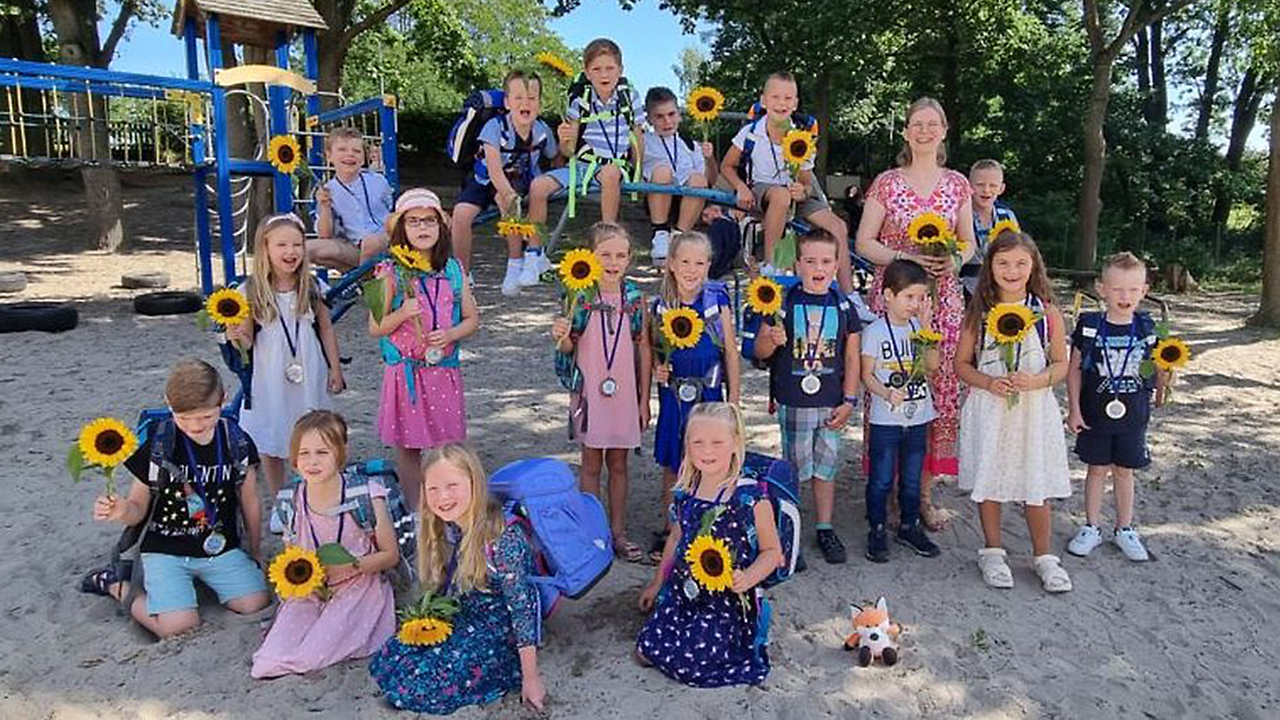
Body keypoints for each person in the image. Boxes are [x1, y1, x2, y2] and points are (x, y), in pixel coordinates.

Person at [854, 96, 977, 531]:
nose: (924, 131)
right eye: (917, 124)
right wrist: (904, 256)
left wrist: (954, 260)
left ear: (944, 131)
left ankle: (922, 495)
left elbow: (969, 241)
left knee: (936, 392)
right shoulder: (887, 183)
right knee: (890, 384)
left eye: (932, 124)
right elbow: (864, 242)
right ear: (906, 132)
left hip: (942, 302)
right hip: (894, 302)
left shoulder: (958, 184)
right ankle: (886, 491)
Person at [81, 360, 269, 638]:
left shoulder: (236, 442)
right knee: (178, 627)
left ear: (223, 399)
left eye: (205, 417)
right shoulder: (159, 445)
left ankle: (192, 584)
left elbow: (249, 499)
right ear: (169, 404)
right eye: (184, 418)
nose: (195, 426)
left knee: (255, 602)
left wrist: (255, 549)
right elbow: (137, 509)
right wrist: (121, 511)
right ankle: (113, 584)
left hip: (218, 546)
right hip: (165, 548)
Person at [369, 444, 546, 713]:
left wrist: (531, 678)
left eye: (452, 485)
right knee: (390, 656)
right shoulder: (449, 525)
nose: (443, 497)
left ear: (474, 483)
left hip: (503, 631)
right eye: (433, 489)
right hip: (467, 613)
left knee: (425, 684)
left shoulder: (503, 538)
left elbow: (522, 608)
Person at [954, 230, 1072, 593]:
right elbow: (961, 364)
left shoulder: (1046, 311)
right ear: (990, 266)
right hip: (990, 410)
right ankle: (992, 551)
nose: (1012, 270)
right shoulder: (979, 311)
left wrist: (1036, 381)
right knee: (990, 478)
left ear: (1034, 266)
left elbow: (1061, 363)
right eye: (1003, 263)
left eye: (1021, 263)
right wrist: (988, 382)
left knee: (1036, 482)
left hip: (1032, 412)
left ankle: (1044, 556)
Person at [636, 402, 781, 688]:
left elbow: (772, 552)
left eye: (717, 442)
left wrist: (749, 577)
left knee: (692, 664)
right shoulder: (686, 492)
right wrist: (657, 583)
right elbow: (676, 538)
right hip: (684, 593)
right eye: (698, 442)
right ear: (687, 446)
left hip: (725, 601)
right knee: (645, 651)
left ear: (735, 443)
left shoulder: (749, 498)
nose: (707, 450)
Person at [745, 228, 861, 565]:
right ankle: (790, 530)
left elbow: (852, 356)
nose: (818, 268)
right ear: (797, 265)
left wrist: (849, 400)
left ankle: (825, 527)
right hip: (794, 400)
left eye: (825, 261)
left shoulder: (843, 305)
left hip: (831, 402)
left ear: (837, 265)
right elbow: (759, 352)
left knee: (826, 468)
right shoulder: (782, 302)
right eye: (810, 261)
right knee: (795, 469)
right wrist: (772, 340)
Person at [251, 411, 398, 678]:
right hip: (312, 591)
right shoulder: (290, 501)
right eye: (304, 453)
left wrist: (353, 565)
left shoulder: (365, 495)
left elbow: (390, 555)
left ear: (340, 453)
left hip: (359, 587)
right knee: (266, 662)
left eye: (322, 452)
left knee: (310, 656)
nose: (312, 461)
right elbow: (292, 558)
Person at [369, 189, 479, 510]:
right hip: (406, 374)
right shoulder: (388, 271)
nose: (422, 227)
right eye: (413, 221)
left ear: (441, 226)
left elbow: (472, 319)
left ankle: (447, 506)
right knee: (408, 446)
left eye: (429, 220)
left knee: (448, 446)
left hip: (443, 372)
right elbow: (375, 327)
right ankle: (416, 510)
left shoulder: (453, 270)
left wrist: (450, 334)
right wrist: (403, 313)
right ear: (401, 229)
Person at [551, 222, 652, 563]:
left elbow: (643, 347)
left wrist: (643, 399)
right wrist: (561, 336)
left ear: (630, 258)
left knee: (619, 463)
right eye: (605, 254)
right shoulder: (579, 295)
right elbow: (567, 348)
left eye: (621, 255)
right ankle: (592, 531)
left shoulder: (634, 298)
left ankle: (618, 532)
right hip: (590, 392)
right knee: (591, 462)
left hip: (624, 394)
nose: (613, 262)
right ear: (590, 256)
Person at [231, 213, 344, 508]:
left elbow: (326, 328)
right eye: (281, 245)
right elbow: (247, 341)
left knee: (313, 427)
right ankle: (281, 497)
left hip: (309, 369)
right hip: (270, 373)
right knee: (272, 431)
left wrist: (335, 368)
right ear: (265, 248)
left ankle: (313, 492)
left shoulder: (312, 287)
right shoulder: (250, 291)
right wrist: (236, 334)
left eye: (297, 244)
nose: (290, 251)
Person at [1066, 251, 1168, 562]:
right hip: (1094, 412)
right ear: (1101, 289)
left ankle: (1125, 528)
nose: (1125, 296)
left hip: (1133, 414)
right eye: (1117, 289)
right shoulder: (1089, 326)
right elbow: (1074, 370)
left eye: (1133, 289)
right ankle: (1091, 527)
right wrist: (1074, 409)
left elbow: (1160, 368)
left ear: (1144, 290)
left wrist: (1164, 380)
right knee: (1096, 469)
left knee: (1125, 471)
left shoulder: (1148, 328)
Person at [648, 231, 741, 561]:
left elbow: (730, 352)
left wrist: (734, 401)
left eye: (699, 263)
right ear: (671, 264)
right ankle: (671, 528)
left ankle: (707, 528)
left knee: (711, 460)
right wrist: (658, 368)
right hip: (675, 397)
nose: (692, 269)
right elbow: (655, 350)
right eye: (685, 262)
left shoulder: (716, 303)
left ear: (708, 265)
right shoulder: (662, 306)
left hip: (710, 396)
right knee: (674, 461)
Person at [527, 38, 646, 286]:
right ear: (587, 73)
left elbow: (638, 137)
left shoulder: (630, 98)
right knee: (538, 186)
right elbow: (568, 151)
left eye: (610, 68)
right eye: (596, 69)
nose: (604, 74)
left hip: (615, 164)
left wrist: (639, 170)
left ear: (620, 70)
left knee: (610, 173)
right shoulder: (580, 100)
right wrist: (564, 138)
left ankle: (607, 243)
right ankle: (534, 255)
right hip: (582, 165)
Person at [720, 71, 852, 291]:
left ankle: (848, 293)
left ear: (795, 103)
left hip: (793, 196)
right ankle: (772, 266)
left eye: (788, 98)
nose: (781, 103)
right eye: (775, 97)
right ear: (764, 101)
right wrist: (741, 187)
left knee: (837, 226)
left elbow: (806, 183)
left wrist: (803, 191)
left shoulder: (803, 139)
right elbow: (726, 166)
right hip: (762, 191)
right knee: (780, 196)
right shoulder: (750, 133)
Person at [450, 70, 560, 294]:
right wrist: (509, 194)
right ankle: (463, 274)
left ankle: (515, 264)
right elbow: (494, 169)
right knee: (461, 214)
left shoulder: (542, 131)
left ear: (540, 104)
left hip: (523, 180)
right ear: (508, 103)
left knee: (506, 201)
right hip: (486, 180)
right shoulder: (494, 127)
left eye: (532, 98)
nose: (525, 103)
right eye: (518, 98)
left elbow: (555, 155)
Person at [860, 259, 941, 562]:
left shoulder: (920, 329)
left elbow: (932, 366)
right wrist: (885, 392)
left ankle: (909, 525)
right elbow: (866, 375)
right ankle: (877, 528)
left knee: (911, 478)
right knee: (881, 479)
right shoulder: (875, 332)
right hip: (886, 419)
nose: (915, 304)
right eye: (909, 297)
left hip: (918, 416)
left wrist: (927, 329)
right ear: (888, 295)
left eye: (921, 297)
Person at [641, 86, 718, 264]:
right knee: (662, 171)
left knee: (698, 179)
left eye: (671, 114)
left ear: (679, 115)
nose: (667, 121)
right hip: (657, 198)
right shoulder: (643, 141)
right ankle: (660, 233)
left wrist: (710, 159)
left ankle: (679, 238)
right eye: (659, 116)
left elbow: (710, 180)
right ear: (649, 119)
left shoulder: (690, 144)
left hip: (687, 201)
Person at [310, 126, 395, 270]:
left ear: (363, 158)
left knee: (371, 243)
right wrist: (325, 206)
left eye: (356, 151)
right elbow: (325, 236)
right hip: (355, 246)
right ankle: (359, 275)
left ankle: (363, 281)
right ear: (329, 156)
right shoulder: (327, 190)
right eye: (342, 149)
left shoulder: (378, 181)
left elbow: (391, 210)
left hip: (384, 241)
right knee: (310, 248)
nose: (350, 154)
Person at [962, 159, 1019, 300]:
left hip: (1000, 286)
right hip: (965, 286)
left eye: (993, 185)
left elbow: (1017, 250)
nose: (986, 190)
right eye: (980, 185)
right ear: (969, 186)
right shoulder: (960, 217)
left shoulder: (1007, 216)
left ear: (1001, 188)